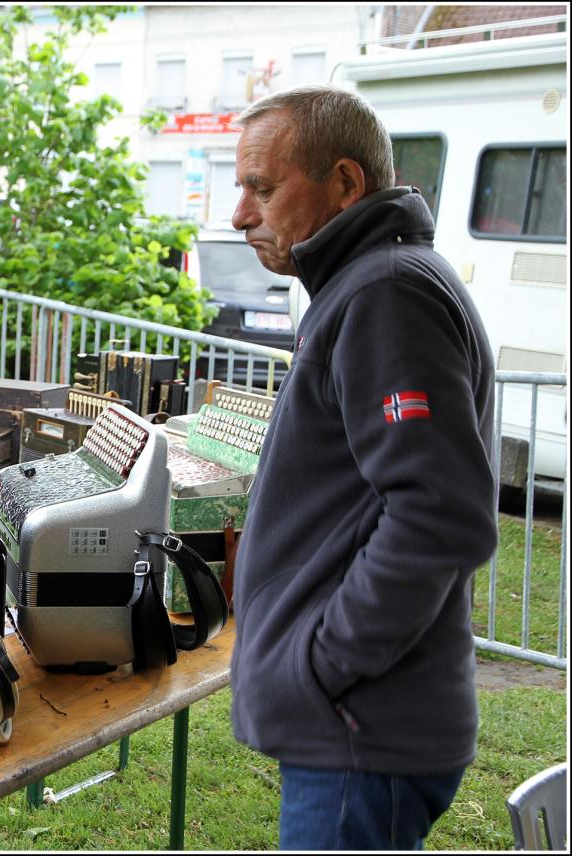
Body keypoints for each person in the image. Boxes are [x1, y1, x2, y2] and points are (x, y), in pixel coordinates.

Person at [227, 84, 498, 850]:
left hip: (362, 733)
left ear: (345, 183)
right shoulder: (372, 280)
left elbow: (438, 515)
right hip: (363, 730)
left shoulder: (385, 291)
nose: (241, 214)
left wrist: (323, 665)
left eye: (263, 187)